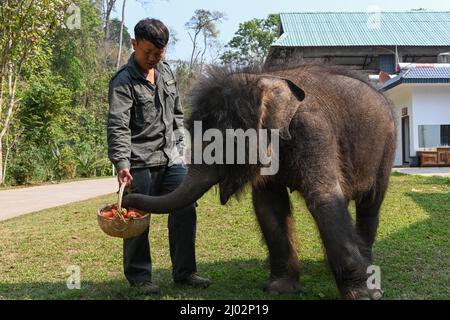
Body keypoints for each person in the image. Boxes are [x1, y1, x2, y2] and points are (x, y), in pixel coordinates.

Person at [107, 18, 210, 295]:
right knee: (137, 218)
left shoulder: (166, 71)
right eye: (147, 52)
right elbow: (118, 126)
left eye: (158, 53)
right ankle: (140, 277)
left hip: (171, 158)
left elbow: (176, 113)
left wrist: (181, 145)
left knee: (186, 207)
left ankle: (185, 272)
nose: (152, 58)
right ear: (134, 44)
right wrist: (122, 164)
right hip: (138, 161)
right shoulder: (123, 82)